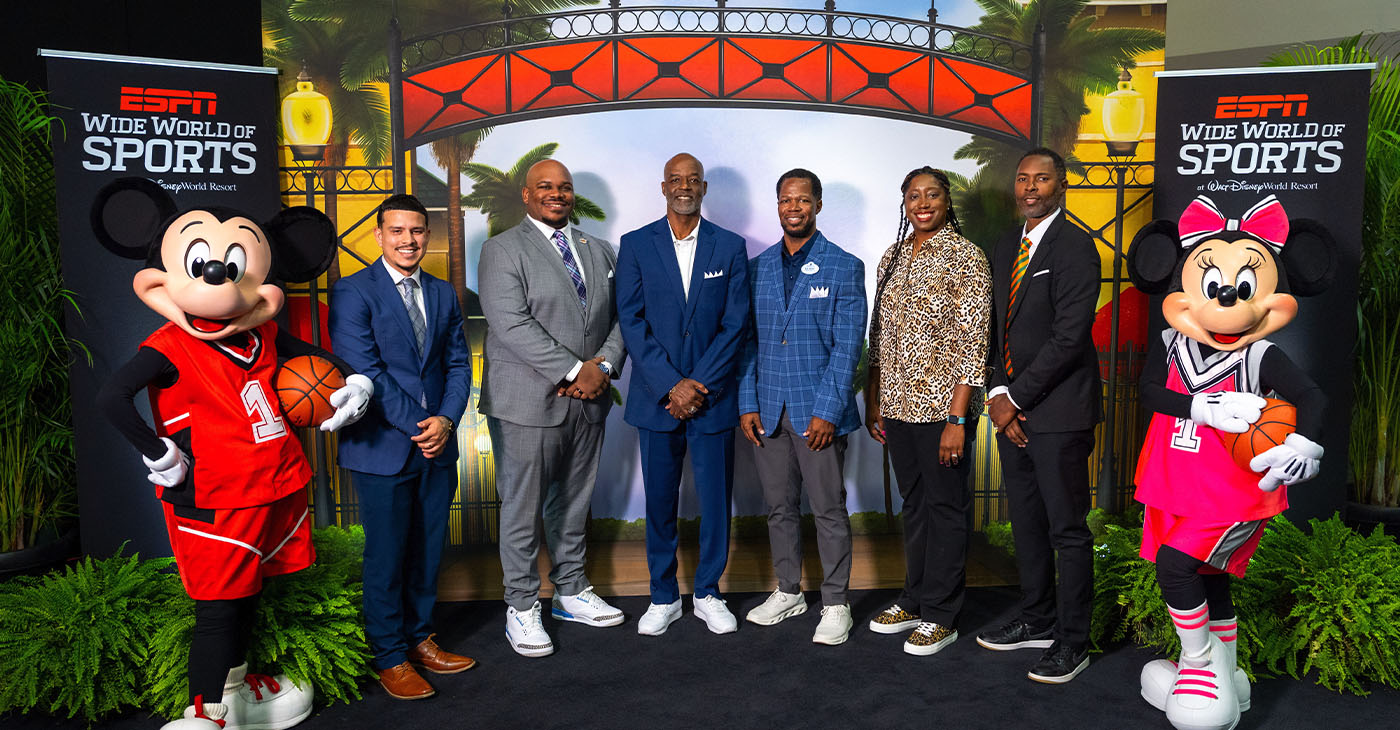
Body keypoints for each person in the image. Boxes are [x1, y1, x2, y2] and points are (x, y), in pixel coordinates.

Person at [94, 178, 373, 730]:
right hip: (212, 495)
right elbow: (111, 398)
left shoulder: (263, 335)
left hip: (272, 482)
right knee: (219, 606)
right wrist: (159, 452)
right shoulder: (168, 346)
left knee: (247, 596)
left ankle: (235, 693)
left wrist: (355, 383)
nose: (219, 274)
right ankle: (205, 711)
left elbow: (319, 362)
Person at [477, 159, 627, 658]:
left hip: (589, 401)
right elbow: (511, 322)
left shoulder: (599, 249)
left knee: (574, 502)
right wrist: (572, 370)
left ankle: (570, 590)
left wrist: (601, 368)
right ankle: (521, 605)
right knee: (522, 508)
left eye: (564, 187)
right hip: (526, 401)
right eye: (545, 186)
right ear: (526, 195)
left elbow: (623, 318)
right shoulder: (501, 249)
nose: (556, 194)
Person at [329, 194, 475, 699]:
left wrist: (448, 420)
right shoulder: (352, 291)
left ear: (426, 236)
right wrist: (422, 424)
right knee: (387, 556)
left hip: (438, 444)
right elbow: (363, 368)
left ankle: (419, 638)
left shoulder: (442, 293)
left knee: (427, 550)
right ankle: (389, 655)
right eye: (397, 231)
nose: (408, 240)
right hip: (382, 446)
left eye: (416, 231)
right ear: (379, 234)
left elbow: (459, 363)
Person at [976, 148, 1101, 684]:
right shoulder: (1008, 243)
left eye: (1041, 179)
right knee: (1026, 522)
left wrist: (1015, 399)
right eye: (1023, 179)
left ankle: (1074, 642)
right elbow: (992, 325)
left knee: (1066, 530)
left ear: (1061, 184)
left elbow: (1069, 338)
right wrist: (997, 394)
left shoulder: (1076, 247)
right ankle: (1038, 619)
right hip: (1012, 410)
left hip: (1059, 414)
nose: (1030, 187)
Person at [615, 153, 750, 636]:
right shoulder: (635, 245)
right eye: (676, 179)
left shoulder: (730, 247)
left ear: (704, 188)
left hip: (711, 399)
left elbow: (735, 324)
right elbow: (631, 321)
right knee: (659, 502)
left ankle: (709, 592)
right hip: (657, 399)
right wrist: (671, 385)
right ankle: (663, 595)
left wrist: (697, 386)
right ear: (663, 186)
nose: (684, 186)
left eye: (693, 180)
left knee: (715, 501)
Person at [864, 167, 992, 657]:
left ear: (946, 201)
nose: (922, 203)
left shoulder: (966, 258)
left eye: (932, 194)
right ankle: (914, 598)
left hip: (943, 411)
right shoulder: (892, 258)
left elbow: (972, 344)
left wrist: (958, 419)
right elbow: (881, 336)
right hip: (897, 407)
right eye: (913, 195)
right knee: (914, 506)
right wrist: (874, 397)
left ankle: (942, 614)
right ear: (903, 202)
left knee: (945, 508)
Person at [737, 168, 866, 646]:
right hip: (768, 410)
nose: (794, 207)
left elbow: (848, 347)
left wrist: (829, 410)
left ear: (817, 204)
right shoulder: (758, 268)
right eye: (786, 200)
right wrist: (747, 402)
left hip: (818, 414)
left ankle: (835, 603)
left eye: (803, 200)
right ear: (777, 206)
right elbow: (746, 341)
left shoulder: (844, 266)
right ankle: (788, 591)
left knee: (828, 509)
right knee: (778, 508)